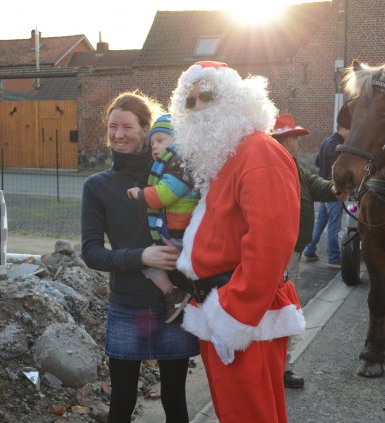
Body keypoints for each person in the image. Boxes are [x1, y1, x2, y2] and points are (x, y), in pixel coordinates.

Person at [170, 61, 305, 422]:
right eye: (190, 101)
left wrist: (233, 315)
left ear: (236, 98)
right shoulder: (228, 157)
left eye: (208, 96)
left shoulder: (259, 151)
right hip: (220, 312)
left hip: (243, 317)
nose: (198, 107)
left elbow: (270, 243)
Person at [81, 91, 199, 423]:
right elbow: (91, 252)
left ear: (146, 130)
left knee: (175, 398)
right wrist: (141, 257)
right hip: (128, 303)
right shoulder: (97, 186)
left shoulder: (174, 177)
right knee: (122, 401)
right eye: (112, 127)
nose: (118, 135)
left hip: (175, 304)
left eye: (127, 127)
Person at [271, 113, 348, 389]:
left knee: (284, 308)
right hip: (281, 251)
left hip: (291, 250)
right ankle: (279, 368)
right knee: (283, 309)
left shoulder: (290, 163)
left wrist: (334, 189)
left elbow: (313, 185)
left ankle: (280, 365)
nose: (298, 144)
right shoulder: (276, 165)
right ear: (285, 140)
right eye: (294, 138)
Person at [127, 114, 199, 323]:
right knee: (150, 258)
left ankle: (174, 294)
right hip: (178, 232)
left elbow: (165, 195)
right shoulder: (174, 164)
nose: (155, 147)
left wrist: (140, 194)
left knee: (148, 260)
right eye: (152, 144)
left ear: (179, 139)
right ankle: (179, 296)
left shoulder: (181, 165)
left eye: (160, 140)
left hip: (180, 233)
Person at [303, 124, 350, 268]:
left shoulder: (326, 141)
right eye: (349, 130)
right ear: (344, 129)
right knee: (334, 226)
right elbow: (338, 170)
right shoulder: (338, 146)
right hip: (332, 190)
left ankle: (309, 250)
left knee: (320, 223)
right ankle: (333, 257)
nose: (350, 134)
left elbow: (317, 162)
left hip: (323, 188)